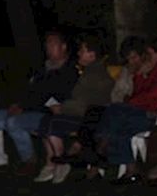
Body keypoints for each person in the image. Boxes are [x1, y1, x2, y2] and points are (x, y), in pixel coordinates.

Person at [0, 30, 77, 176]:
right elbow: (29, 91)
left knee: (14, 121)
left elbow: (50, 96)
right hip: (26, 109)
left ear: (63, 47)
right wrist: (18, 103)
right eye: (47, 44)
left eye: (52, 43)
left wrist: (24, 106)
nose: (48, 47)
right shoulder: (43, 69)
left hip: (45, 115)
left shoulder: (69, 71)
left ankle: (29, 160)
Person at [95, 36, 157, 184]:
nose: (148, 57)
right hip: (141, 111)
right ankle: (131, 171)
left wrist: (132, 101)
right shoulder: (153, 68)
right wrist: (140, 75)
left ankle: (101, 148)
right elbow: (139, 92)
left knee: (115, 112)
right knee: (119, 124)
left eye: (150, 54)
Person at [34, 33, 114, 184]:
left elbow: (87, 104)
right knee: (46, 122)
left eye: (82, 50)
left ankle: (61, 162)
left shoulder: (97, 75)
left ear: (92, 55)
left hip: (89, 119)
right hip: (80, 114)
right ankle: (53, 161)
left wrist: (62, 108)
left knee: (51, 123)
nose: (78, 53)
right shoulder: (88, 72)